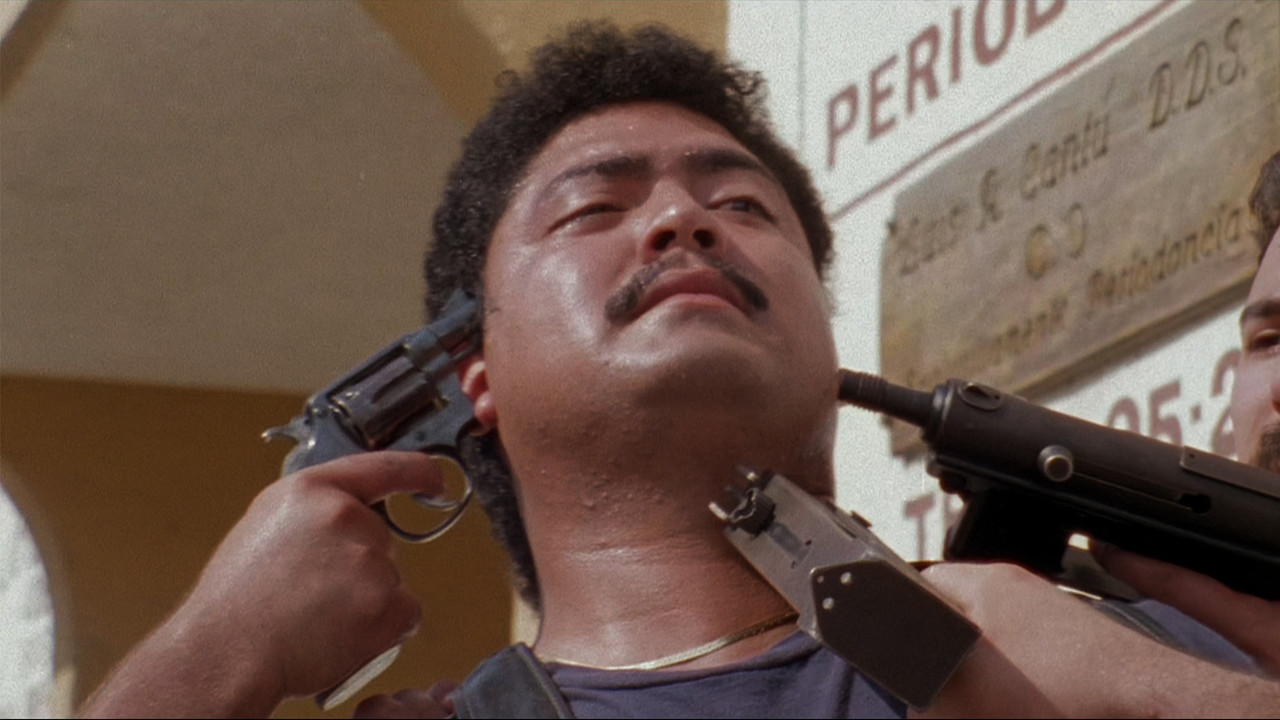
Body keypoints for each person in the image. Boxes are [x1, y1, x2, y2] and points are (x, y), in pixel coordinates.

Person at [81, 24, 1278, 719]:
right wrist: (210, 660)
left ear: (824, 330)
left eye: (742, 206)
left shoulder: (1113, 657)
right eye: (593, 208)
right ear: (474, 369)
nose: (680, 222)